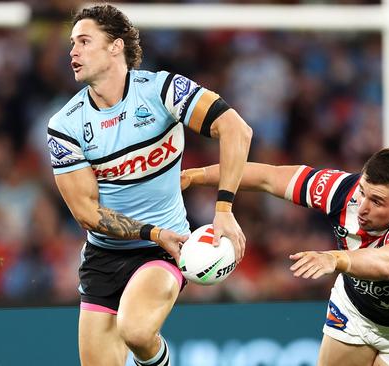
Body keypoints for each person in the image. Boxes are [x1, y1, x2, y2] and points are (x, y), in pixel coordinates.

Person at [47, 4, 252, 366]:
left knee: (137, 331)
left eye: (84, 41)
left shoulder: (163, 91)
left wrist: (224, 210)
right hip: (106, 256)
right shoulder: (65, 126)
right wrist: (155, 232)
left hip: (165, 250)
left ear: (116, 46)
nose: (72, 52)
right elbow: (86, 213)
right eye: (71, 43)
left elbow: (236, 128)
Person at [181, 147, 389, 366]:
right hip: (356, 310)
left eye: (377, 201)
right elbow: (268, 177)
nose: (363, 208)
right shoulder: (342, 190)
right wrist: (196, 175)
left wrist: (336, 259)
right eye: (363, 192)